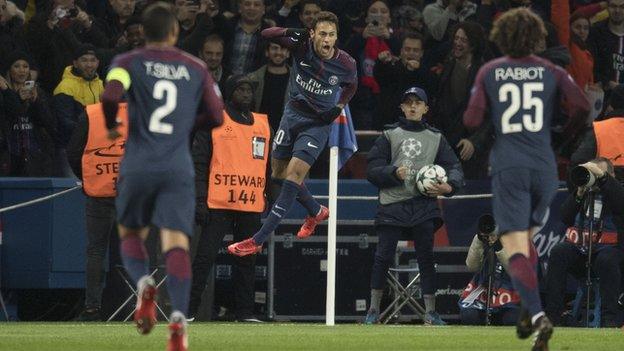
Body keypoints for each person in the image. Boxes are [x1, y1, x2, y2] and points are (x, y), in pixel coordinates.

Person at [463, 8, 590, 351]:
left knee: (515, 246)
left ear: (501, 37)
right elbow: (582, 107)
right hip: (545, 166)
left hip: (510, 167)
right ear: (538, 38)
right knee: (528, 242)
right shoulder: (552, 70)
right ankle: (527, 306)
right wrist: (561, 140)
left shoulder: (491, 70)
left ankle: (536, 315)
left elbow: (472, 119)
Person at [100, 2, 223, 350]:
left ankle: (142, 283)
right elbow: (217, 114)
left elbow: (110, 95)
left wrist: (111, 125)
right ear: (174, 32)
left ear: (143, 33)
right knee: (176, 243)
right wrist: (185, 126)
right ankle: (180, 318)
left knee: (131, 233)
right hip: (177, 166)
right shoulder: (196, 67)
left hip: (138, 162)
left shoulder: (127, 62)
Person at [227, 11, 357, 256]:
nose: (326, 40)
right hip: (292, 115)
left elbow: (352, 86)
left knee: (293, 175)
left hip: (317, 123)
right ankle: (315, 210)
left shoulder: (346, 63)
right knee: (277, 174)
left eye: (331, 35)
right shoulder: (300, 46)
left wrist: (338, 107)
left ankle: (257, 240)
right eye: (322, 34)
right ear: (312, 34)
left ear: (336, 36)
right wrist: (289, 32)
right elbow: (265, 34)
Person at [364, 87, 464, 325]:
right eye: (408, 103)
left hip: (423, 205)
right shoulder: (389, 135)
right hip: (392, 204)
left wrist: (449, 187)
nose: (412, 107)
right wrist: (393, 172)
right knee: (383, 257)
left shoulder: (436, 137)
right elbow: (371, 170)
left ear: (425, 109)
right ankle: (373, 310)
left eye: (418, 103)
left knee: (426, 258)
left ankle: (430, 312)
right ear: (401, 107)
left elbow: (455, 167)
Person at [189, 75, 270, 322]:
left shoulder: (262, 123)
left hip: (249, 201)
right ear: (229, 93)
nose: (247, 94)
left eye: (250, 90)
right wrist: (200, 200)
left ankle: (244, 312)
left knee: (247, 259)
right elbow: (199, 162)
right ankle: (189, 310)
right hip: (218, 202)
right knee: (205, 256)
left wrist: (268, 196)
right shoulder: (213, 120)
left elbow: (269, 166)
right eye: (241, 89)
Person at [66, 102, 128, 321]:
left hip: (99, 191)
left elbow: (73, 152)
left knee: (96, 251)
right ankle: (139, 306)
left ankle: (92, 308)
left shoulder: (91, 112)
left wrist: (88, 178)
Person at [545, 158, 624, 327]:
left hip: (611, 254)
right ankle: (553, 316)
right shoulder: (585, 192)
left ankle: (609, 319)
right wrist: (579, 192)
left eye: (597, 173)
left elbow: (620, 204)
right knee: (559, 252)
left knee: (606, 259)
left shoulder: (618, 191)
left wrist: (603, 180)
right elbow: (565, 217)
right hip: (582, 252)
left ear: (610, 175)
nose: (594, 178)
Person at [460, 215, 520, 326]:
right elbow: (472, 266)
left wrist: (500, 248)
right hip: (485, 289)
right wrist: (479, 240)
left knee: (512, 319)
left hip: (512, 291)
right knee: (469, 316)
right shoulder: (483, 238)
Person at [246, 41, 291, 131]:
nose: (278, 52)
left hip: (285, 134)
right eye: (274, 48)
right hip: (257, 131)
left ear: (288, 53)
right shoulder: (252, 78)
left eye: (282, 49)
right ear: (267, 52)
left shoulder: (298, 80)